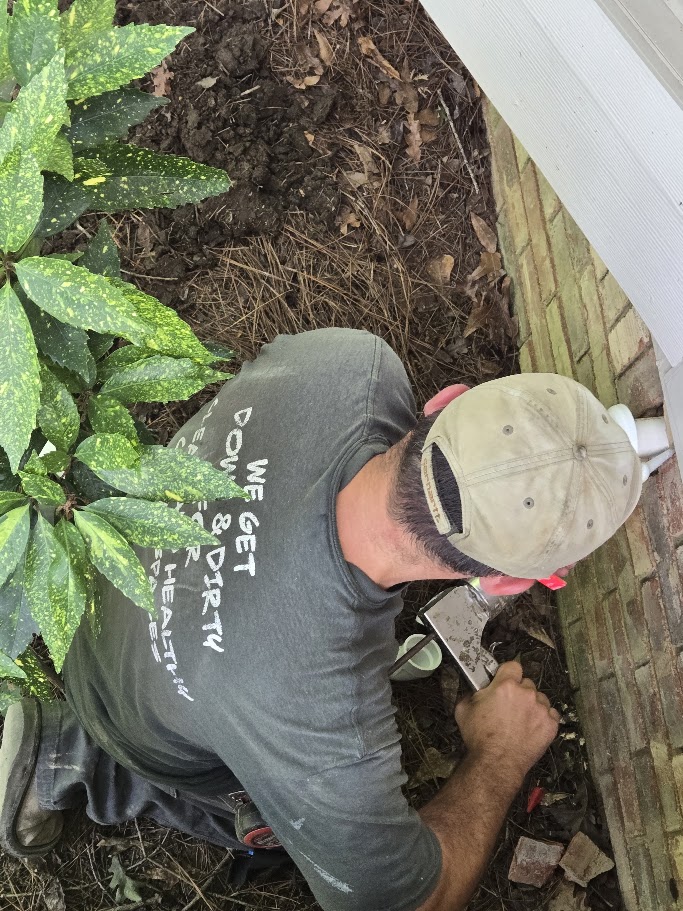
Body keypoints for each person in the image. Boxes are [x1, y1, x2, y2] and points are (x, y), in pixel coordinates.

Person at [0, 329, 641, 910]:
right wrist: (499, 755)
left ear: (444, 402)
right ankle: (84, 761)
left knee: (223, 689)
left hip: (84, 586)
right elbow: (408, 904)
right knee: (271, 816)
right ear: (504, 583)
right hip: (126, 712)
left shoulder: (354, 364)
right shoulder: (323, 731)